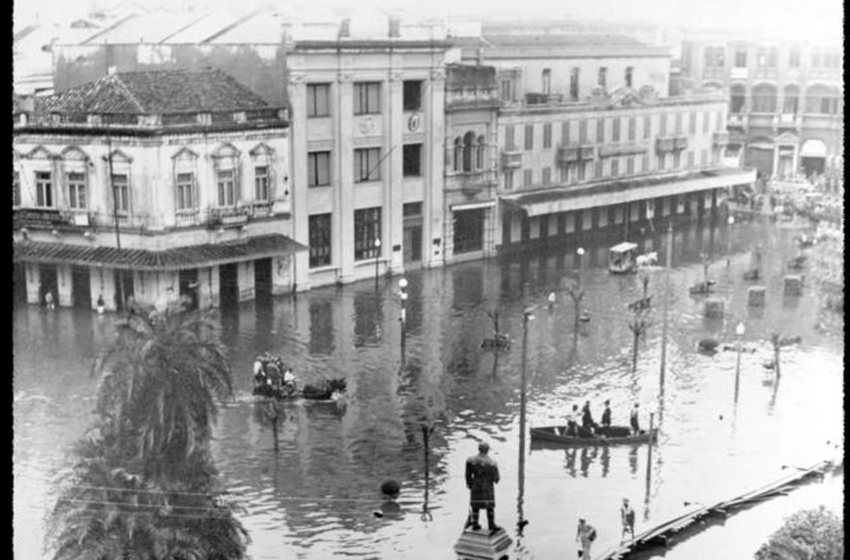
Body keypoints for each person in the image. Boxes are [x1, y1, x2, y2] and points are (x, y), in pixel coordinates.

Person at [464, 442, 501, 535]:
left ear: (478, 449)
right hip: (487, 486)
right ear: (488, 450)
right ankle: (491, 524)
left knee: (475, 506)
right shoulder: (492, 463)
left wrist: (469, 484)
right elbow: (496, 479)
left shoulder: (470, 460)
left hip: (475, 485)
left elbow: (468, 474)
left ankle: (475, 524)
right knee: (490, 507)